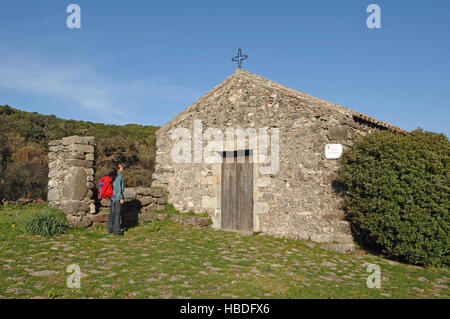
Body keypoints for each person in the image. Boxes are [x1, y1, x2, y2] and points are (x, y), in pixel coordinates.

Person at [107, 163, 125, 236]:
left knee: (112, 214)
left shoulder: (113, 175)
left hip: (112, 197)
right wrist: (120, 198)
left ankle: (110, 229)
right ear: (118, 168)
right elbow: (118, 189)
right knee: (117, 214)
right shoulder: (118, 176)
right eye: (122, 167)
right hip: (116, 198)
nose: (123, 168)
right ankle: (117, 231)